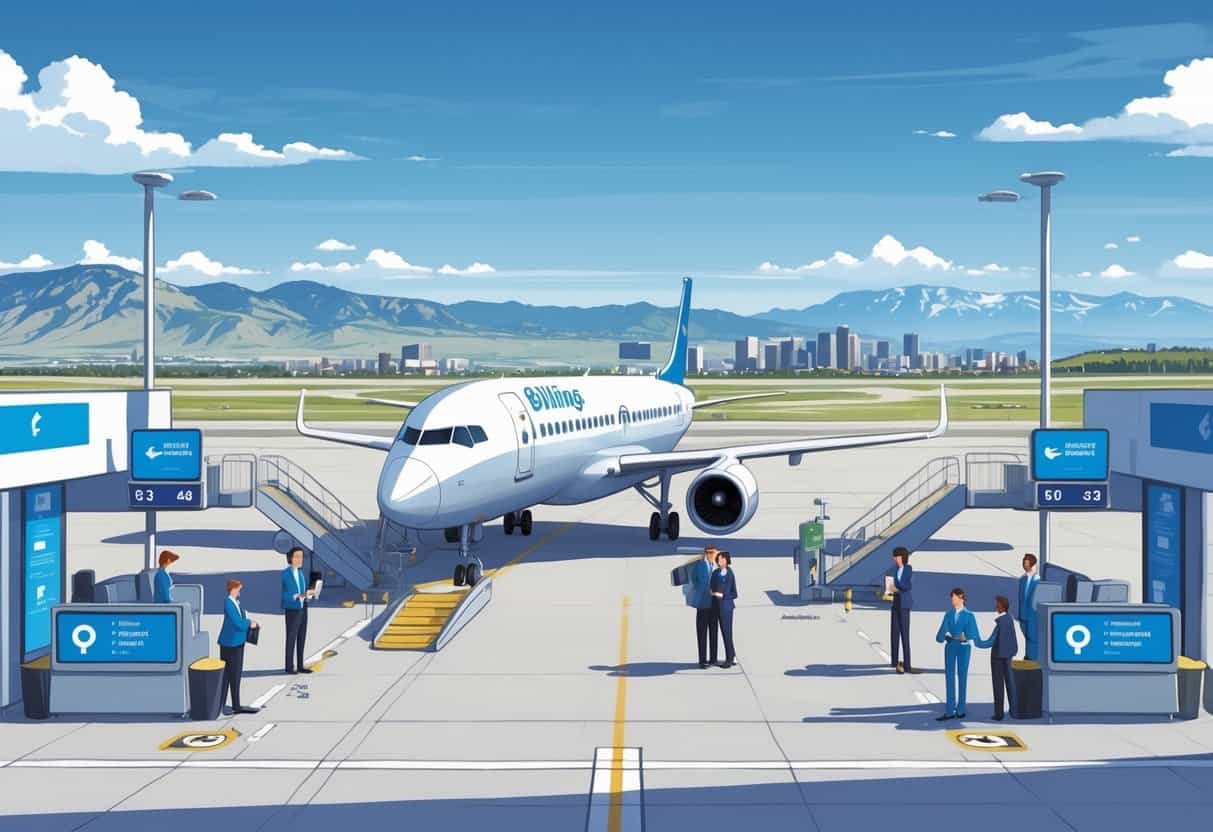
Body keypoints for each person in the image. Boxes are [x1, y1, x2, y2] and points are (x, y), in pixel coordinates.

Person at [935, 587, 980, 721]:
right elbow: (940, 634)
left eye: (954, 598)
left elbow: (974, 634)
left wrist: (965, 637)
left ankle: (960, 709)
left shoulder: (969, 615)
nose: (952, 600)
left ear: (961, 598)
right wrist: (944, 636)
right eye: (951, 598)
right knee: (949, 677)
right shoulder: (948, 614)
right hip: (950, 647)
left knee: (962, 677)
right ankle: (949, 710)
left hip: (963, 648)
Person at [218, 578, 260, 715]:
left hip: (237, 642)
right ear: (233, 589)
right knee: (229, 675)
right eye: (239, 590)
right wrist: (250, 623)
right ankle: (224, 705)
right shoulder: (229, 603)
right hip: (230, 643)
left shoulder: (235, 603)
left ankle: (235, 704)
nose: (240, 593)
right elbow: (237, 623)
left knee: (235, 675)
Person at [976, 595, 1019, 721]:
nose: (996, 606)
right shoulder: (1009, 619)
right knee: (1010, 683)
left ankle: (999, 713)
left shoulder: (1000, 623)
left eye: (997, 604)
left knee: (998, 685)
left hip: (998, 657)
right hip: (1008, 655)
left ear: (1002, 606)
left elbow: (990, 642)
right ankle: (1014, 710)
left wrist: (975, 641)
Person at [282, 546, 314, 674]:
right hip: (292, 609)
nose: (300, 559)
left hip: (303, 607)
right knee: (291, 638)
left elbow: (302, 591)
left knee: (302, 636)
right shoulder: (286, 574)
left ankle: (300, 665)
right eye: (297, 557)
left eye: (301, 557)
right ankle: (289, 666)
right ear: (290, 559)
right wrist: (298, 596)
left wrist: (308, 594)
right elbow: (285, 595)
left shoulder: (300, 573)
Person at [689, 546, 718, 668]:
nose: (712, 555)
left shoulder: (715, 565)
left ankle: (713, 659)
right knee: (702, 633)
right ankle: (702, 660)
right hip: (702, 603)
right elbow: (694, 579)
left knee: (713, 632)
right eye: (710, 553)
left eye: (714, 553)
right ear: (705, 553)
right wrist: (700, 590)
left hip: (713, 604)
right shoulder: (699, 565)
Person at [710, 551, 739, 668]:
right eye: (718, 560)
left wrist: (723, 596)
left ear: (727, 560)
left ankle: (729, 658)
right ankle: (730, 655)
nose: (719, 562)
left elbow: (734, 593)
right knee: (717, 632)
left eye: (722, 559)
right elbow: (711, 585)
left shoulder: (730, 574)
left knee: (727, 633)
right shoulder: (716, 573)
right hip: (715, 606)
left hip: (726, 608)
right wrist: (712, 592)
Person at [889, 546, 913, 674]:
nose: (894, 559)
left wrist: (896, 586)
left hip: (904, 604)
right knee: (894, 632)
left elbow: (907, 585)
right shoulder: (895, 569)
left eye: (896, 556)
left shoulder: (908, 569)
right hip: (895, 602)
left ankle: (907, 663)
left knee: (904, 634)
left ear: (902, 557)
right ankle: (894, 660)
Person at [1017, 553, 1040, 661]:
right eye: (1024, 563)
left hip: (1033, 615)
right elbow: (1021, 598)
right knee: (1027, 638)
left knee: (1033, 639)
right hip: (1023, 615)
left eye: (1026, 563)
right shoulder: (1022, 580)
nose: (1024, 565)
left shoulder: (1038, 581)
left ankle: (1033, 658)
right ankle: (1028, 657)